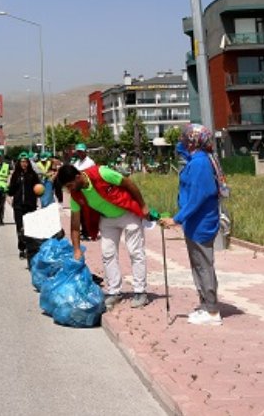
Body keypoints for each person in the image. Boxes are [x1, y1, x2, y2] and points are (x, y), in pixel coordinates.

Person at [58, 163, 150, 310]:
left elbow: (128, 183)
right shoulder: (75, 195)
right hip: (107, 219)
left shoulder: (101, 173)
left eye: (70, 185)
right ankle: (114, 292)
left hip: (127, 214)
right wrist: (76, 249)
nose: (69, 189)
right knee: (108, 254)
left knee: (135, 251)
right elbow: (75, 225)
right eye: (66, 188)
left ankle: (140, 291)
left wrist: (143, 206)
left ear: (78, 177)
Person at [160, 124, 224, 326]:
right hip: (194, 223)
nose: (182, 141)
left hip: (201, 223)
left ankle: (212, 311)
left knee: (204, 266)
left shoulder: (199, 163)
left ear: (194, 141)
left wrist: (177, 219)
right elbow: (184, 155)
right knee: (198, 265)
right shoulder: (196, 159)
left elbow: (198, 197)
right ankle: (205, 305)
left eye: (185, 138)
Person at [8, 152, 42, 259]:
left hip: (30, 205)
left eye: (26, 161)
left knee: (30, 228)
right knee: (20, 228)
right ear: (19, 163)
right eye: (22, 162)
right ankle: (22, 249)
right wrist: (7, 190)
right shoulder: (15, 175)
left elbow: (38, 188)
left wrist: (40, 191)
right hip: (18, 205)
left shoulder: (33, 175)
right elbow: (11, 191)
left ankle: (30, 249)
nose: (24, 164)